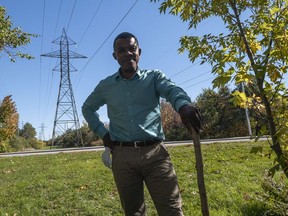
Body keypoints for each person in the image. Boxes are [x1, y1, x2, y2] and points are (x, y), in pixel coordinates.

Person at [82, 32, 202, 216]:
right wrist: (103, 134)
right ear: (115, 56)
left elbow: (171, 90)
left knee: (172, 210)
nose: (127, 53)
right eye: (121, 50)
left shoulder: (153, 77)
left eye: (131, 48)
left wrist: (183, 105)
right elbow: (88, 108)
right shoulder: (106, 86)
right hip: (122, 157)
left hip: (155, 155)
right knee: (133, 213)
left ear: (139, 51)